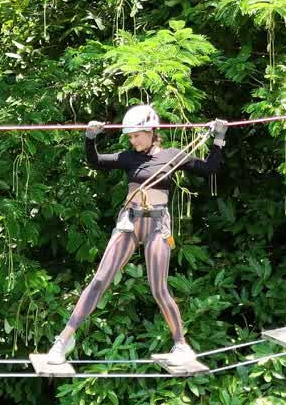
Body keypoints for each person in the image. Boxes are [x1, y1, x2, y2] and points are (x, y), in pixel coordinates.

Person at [44, 104, 227, 365]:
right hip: (129, 224)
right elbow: (95, 161)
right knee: (99, 281)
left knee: (159, 289)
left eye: (136, 135)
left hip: (157, 226)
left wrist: (218, 137)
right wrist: (90, 137)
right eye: (129, 136)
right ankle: (63, 340)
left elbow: (209, 168)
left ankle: (181, 344)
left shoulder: (173, 156)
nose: (133, 140)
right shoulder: (129, 158)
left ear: (152, 131)